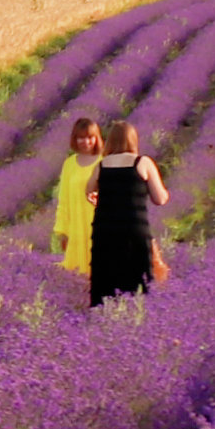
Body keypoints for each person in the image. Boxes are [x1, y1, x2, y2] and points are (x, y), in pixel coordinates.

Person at [84, 122, 170, 306]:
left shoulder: (102, 165)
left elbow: (89, 189)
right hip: (134, 227)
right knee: (138, 275)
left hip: (105, 229)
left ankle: (104, 316)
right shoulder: (143, 162)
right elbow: (160, 198)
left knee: (106, 275)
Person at [51, 116, 105, 276]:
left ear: (97, 138)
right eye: (81, 137)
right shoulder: (69, 164)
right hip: (76, 228)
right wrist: (62, 231)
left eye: (90, 137)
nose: (85, 142)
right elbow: (64, 199)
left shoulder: (104, 162)